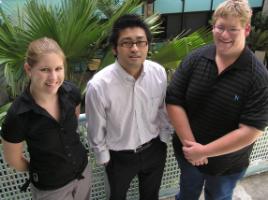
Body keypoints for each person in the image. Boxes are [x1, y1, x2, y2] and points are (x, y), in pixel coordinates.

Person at [166, 0, 268, 200]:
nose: (224, 34)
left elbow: (251, 130)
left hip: (227, 165)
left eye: (233, 29)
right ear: (213, 27)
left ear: (246, 30)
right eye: (220, 27)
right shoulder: (195, 59)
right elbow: (173, 100)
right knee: (187, 193)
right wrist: (192, 148)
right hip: (188, 155)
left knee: (219, 197)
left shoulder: (258, 76)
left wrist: (204, 151)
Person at [85, 14, 170, 200]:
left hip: (154, 148)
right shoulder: (99, 85)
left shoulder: (158, 73)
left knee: (151, 196)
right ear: (115, 48)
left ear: (148, 45)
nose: (135, 48)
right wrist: (104, 159)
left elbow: (162, 110)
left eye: (141, 42)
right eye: (126, 43)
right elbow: (95, 127)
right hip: (118, 157)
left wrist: (163, 139)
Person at [1, 37, 91, 200]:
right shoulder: (18, 115)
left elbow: (74, 121)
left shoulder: (71, 92)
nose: (53, 77)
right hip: (51, 188)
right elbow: (13, 159)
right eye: (45, 70)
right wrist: (40, 170)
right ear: (29, 69)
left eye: (58, 68)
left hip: (83, 172)